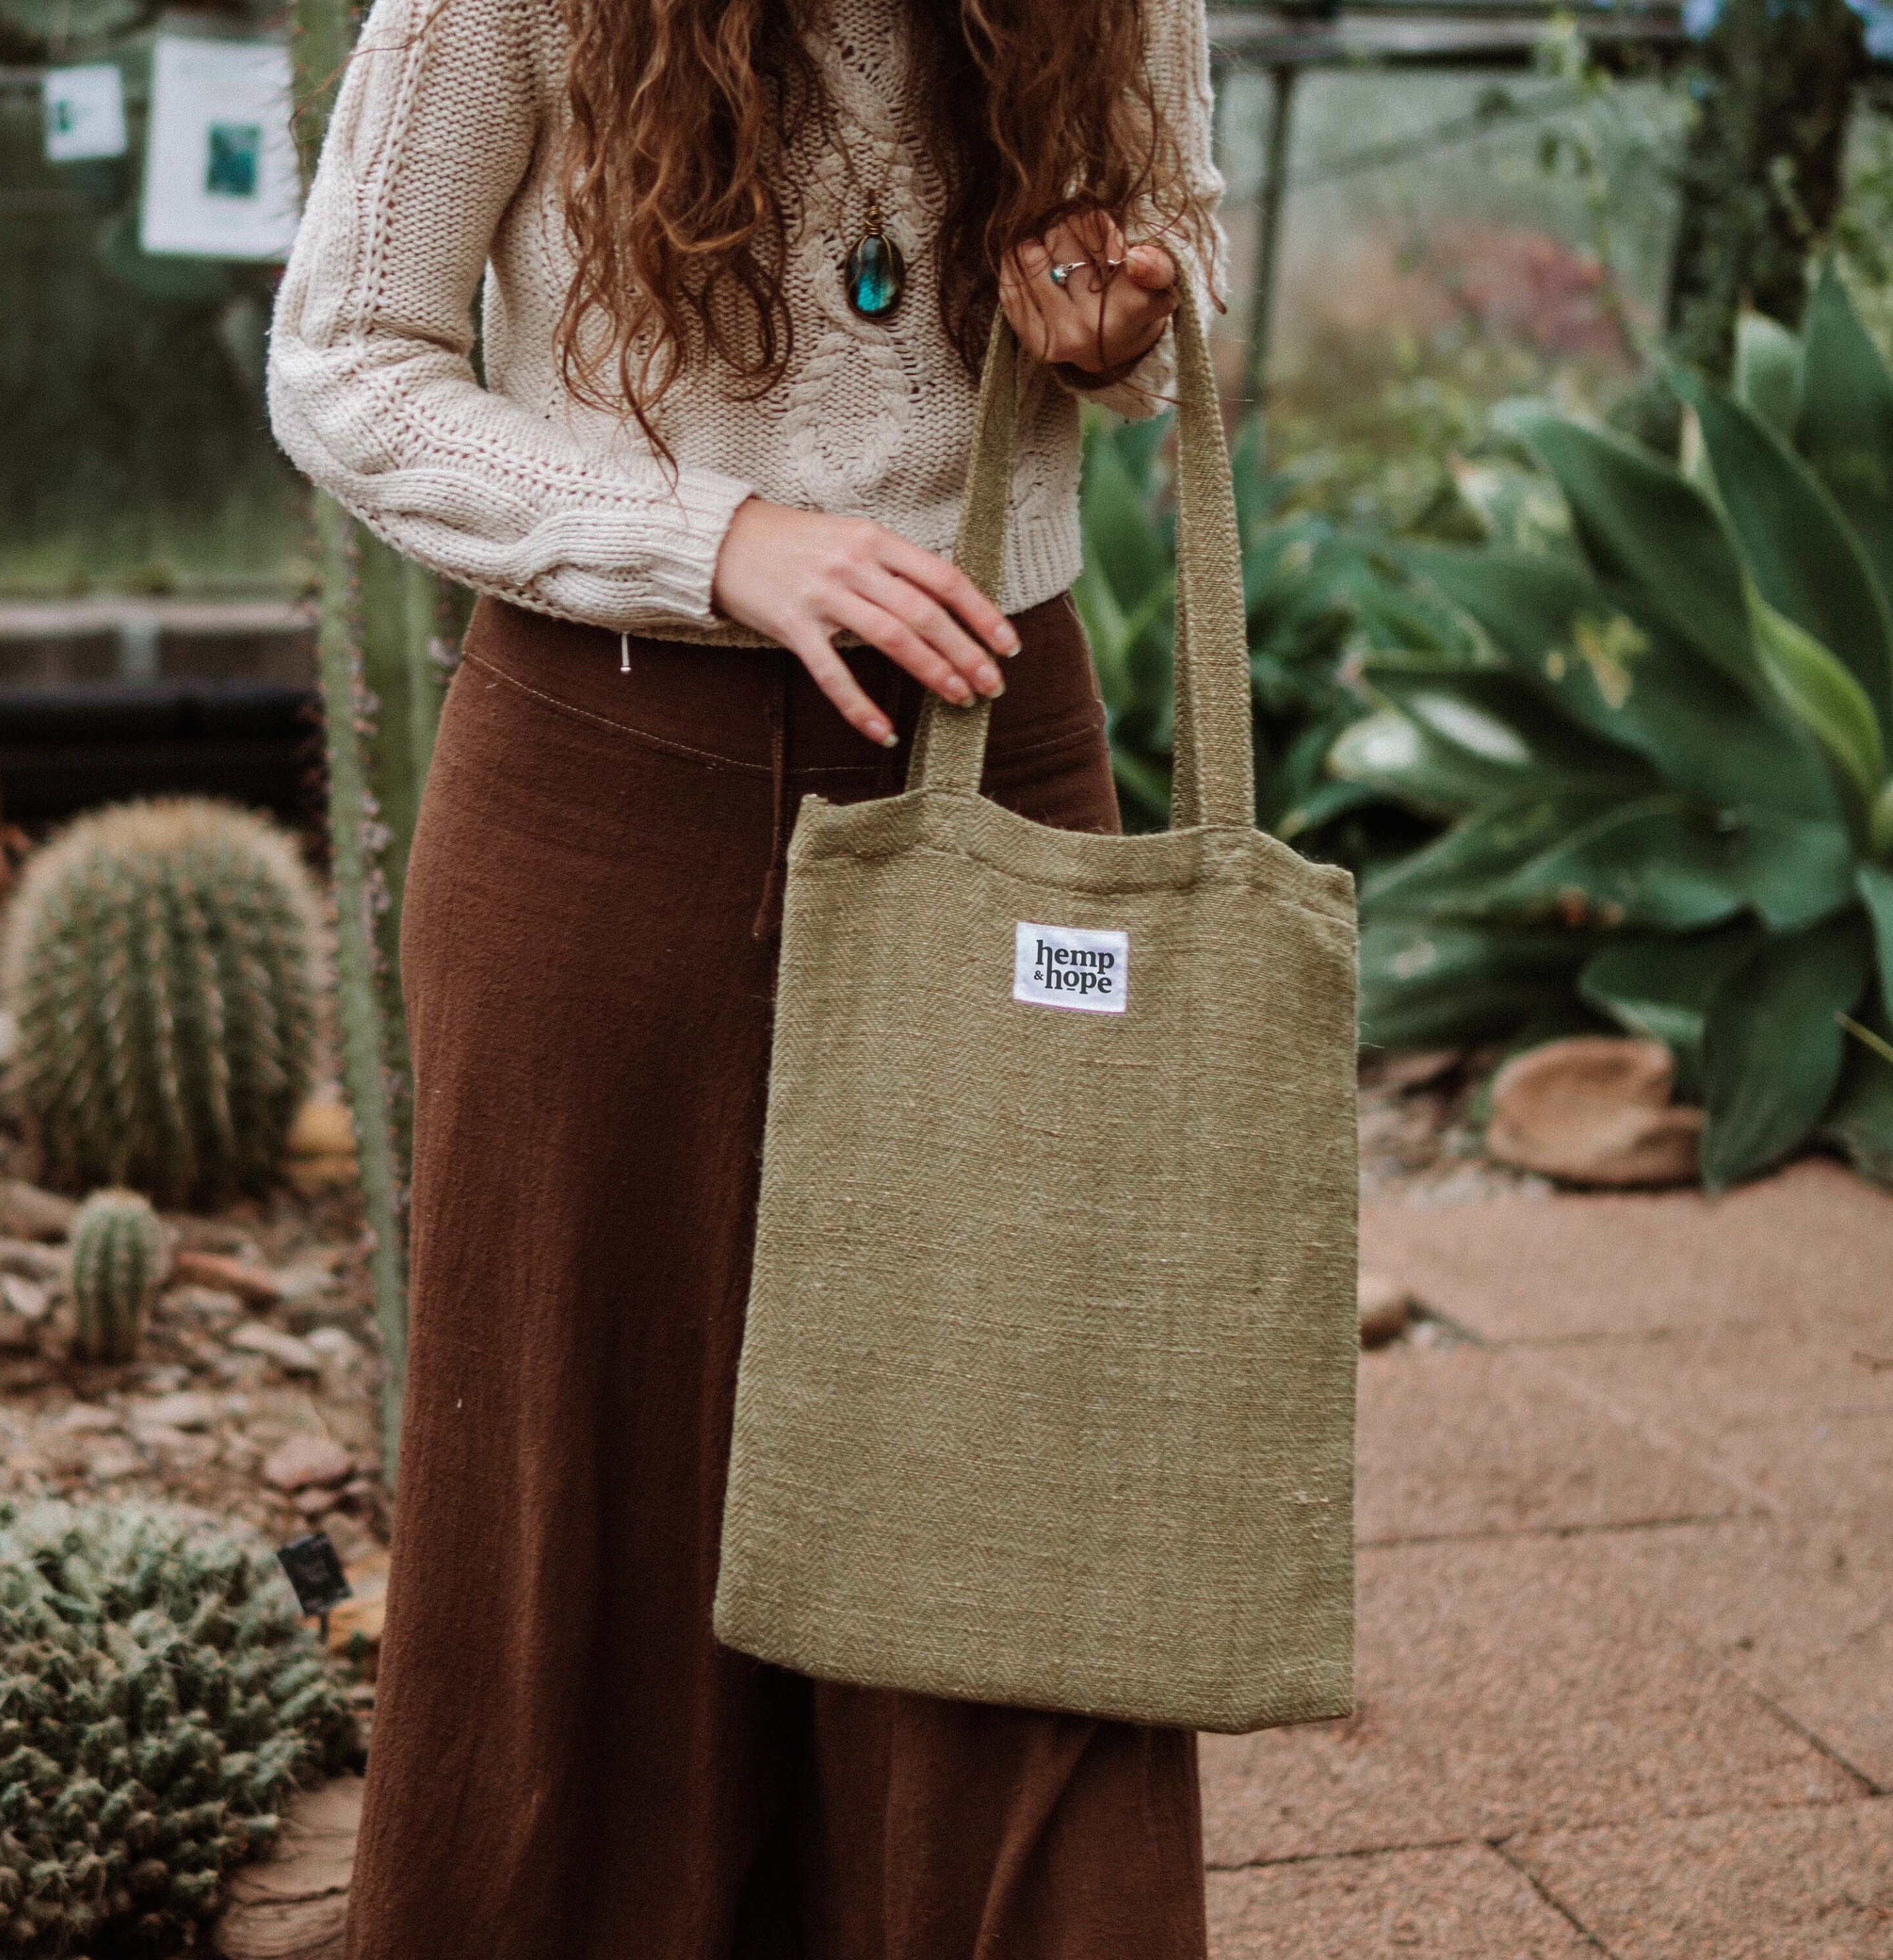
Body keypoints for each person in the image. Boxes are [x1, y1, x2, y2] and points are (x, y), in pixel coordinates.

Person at [268, 0, 1226, 1950]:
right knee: (585, 1484)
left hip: (1001, 752)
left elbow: (1188, 241)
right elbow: (348, 359)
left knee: (1006, 1483)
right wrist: (712, 539)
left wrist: (1122, 325)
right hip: (602, 788)